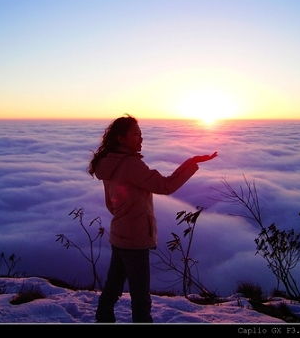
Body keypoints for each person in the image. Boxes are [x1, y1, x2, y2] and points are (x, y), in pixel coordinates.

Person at [87, 114, 217, 323]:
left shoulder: (109, 163)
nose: (141, 139)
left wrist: (125, 219)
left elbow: (111, 203)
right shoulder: (131, 165)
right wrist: (192, 163)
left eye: (141, 134)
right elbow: (165, 186)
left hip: (119, 235)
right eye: (136, 134)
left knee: (112, 290)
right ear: (121, 138)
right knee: (140, 299)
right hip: (135, 239)